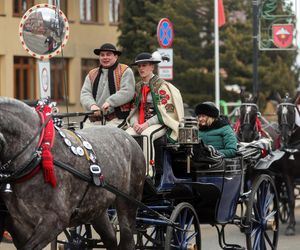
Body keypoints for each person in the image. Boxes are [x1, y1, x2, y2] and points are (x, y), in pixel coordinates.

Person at [126, 52, 184, 176]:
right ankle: (129, 172)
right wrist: (135, 123)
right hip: (140, 123)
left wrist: (146, 124)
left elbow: (166, 113)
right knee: (126, 136)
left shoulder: (162, 86)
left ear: (152, 67)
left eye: (144, 65)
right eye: (139, 66)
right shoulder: (138, 87)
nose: (141, 68)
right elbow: (134, 110)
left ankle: (148, 173)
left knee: (147, 136)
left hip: (160, 122)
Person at [80, 43, 135, 127]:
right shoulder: (92, 74)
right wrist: (92, 105)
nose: (105, 57)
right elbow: (85, 93)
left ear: (116, 57)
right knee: (82, 137)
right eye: (102, 55)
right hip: (94, 119)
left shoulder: (125, 70)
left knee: (107, 138)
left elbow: (128, 91)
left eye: (108, 54)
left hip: (117, 119)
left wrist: (110, 102)